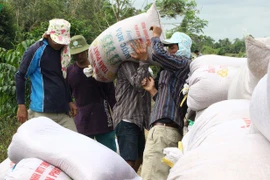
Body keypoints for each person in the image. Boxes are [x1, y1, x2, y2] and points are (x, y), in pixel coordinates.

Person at [139, 27, 192, 180]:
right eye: (168, 47)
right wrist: (152, 91)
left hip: (163, 132)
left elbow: (157, 53)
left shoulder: (182, 63)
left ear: (182, 47)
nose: (169, 50)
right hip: (167, 131)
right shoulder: (174, 69)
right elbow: (170, 102)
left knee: (151, 176)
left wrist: (156, 36)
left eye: (173, 47)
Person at [15, 19, 77, 132]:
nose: (59, 43)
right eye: (57, 40)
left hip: (63, 111)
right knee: (44, 148)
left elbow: (62, 78)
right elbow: (20, 76)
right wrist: (21, 105)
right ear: (48, 35)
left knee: (74, 144)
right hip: (42, 112)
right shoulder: (36, 50)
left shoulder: (63, 52)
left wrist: (69, 100)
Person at [66, 35, 117, 151]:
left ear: (86, 50)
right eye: (76, 54)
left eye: (81, 53)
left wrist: (116, 113)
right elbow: (66, 94)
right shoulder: (70, 72)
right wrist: (69, 104)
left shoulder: (99, 67)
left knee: (109, 152)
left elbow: (110, 93)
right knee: (84, 153)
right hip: (82, 118)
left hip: (102, 116)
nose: (79, 56)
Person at [112, 40, 152, 172]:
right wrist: (144, 61)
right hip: (127, 119)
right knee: (128, 161)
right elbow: (138, 83)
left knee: (139, 158)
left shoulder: (143, 67)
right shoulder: (127, 65)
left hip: (137, 121)